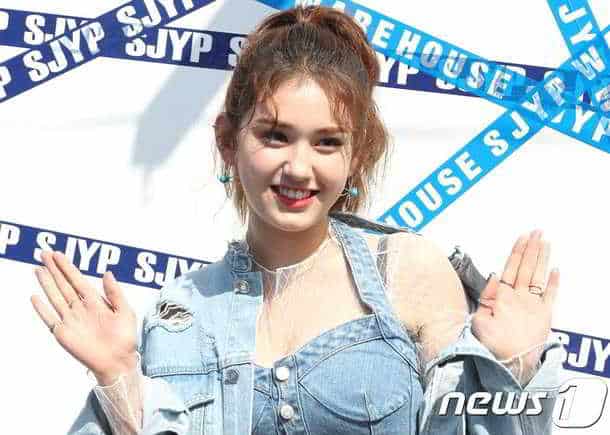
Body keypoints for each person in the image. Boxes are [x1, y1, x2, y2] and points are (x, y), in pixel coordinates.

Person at [30, 5, 564, 435]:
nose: (299, 168)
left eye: (326, 142)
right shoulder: (181, 315)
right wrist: (119, 379)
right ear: (228, 141)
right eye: (276, 136)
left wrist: (512, 366)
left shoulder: (405, 270)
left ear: (356, 155)